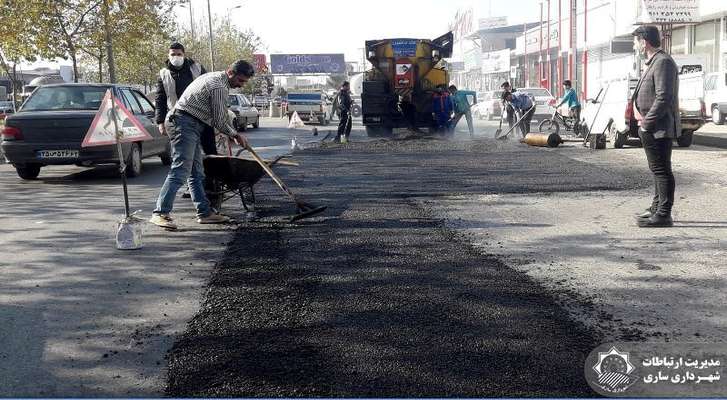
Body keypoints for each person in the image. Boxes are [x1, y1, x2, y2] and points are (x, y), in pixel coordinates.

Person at [149, 60, 255, 230]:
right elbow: (220, 120)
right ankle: (160, 213)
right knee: (181, 169)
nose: (241, 85)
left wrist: (233, 135)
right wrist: (235, 135)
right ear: (230, 72)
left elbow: (215, 118)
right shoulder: (219, 86)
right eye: (240, 81)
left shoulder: (214, 77)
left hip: (190, 123)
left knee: (197, 172)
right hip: (183, 123)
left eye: (244, 82)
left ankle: (204, 213)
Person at [631, 25, 680, 228]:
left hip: (657, 128)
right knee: (657, 169)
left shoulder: (663, 62)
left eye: (636, 42)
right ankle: (656, 206)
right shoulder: (653, 62)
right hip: (652, 127)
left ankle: (663, 214)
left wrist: (646, 124)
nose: (635, 46)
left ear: (645, 42)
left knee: (661, 170)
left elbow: (663, 97)